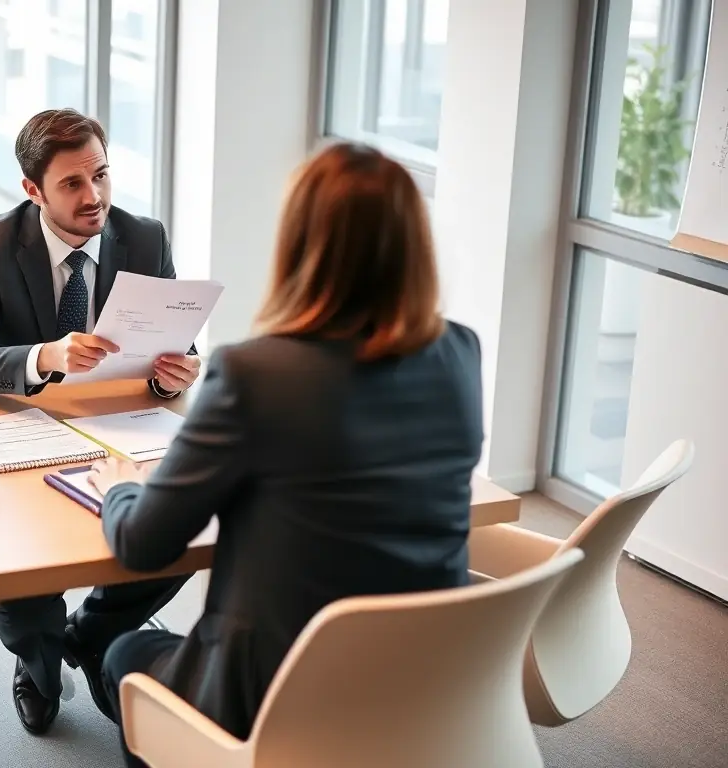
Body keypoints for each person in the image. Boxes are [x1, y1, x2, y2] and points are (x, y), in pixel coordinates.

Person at [84, 142, 485, 766]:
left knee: (124, 656)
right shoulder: (460, 351)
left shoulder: (256, 373)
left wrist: (121, 485)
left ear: (301, 244)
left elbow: (143, 546)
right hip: (420, 679)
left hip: (275, 697)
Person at [0, 109, 197, 735]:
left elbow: (172, 344)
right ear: (33, 190)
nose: (96, 197)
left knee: (188, 524)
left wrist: (174, 373)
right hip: (20, 431)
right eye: (73, 185)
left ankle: (94, 631)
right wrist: (44, 356)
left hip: (120, 432)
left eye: (102, 176)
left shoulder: (144, 238)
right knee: (25, 552)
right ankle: (39, 659)